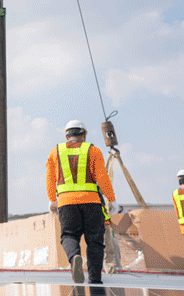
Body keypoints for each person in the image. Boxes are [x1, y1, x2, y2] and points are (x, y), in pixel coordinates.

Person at [45, 120, 118, 284]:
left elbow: (50, 178)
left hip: (66, 202)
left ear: (66, 135)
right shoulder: (93, 150)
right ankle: (95, 280)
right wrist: (111, 199)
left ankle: (74, 257)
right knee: (95, 241)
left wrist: (52, 200)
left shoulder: (55, 152)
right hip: (91, 202)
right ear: (84, 135)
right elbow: (102, 177)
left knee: (69, 235)